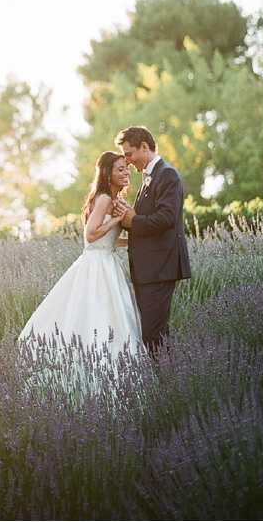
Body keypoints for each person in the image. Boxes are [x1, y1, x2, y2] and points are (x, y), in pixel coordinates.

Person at [18, 151, 142, 374]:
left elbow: (109, 241)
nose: (126, 173)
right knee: (98, 316)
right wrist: (116, 219)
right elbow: (91, 235)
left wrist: (135, 243)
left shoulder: (115, 200)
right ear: (107, 173)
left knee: (109, 318)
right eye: (120, 169)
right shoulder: (104, 199)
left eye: (126, 168)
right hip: (97, 267)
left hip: (107, 262)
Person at [112, 125, 191, 358]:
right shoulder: (150, 177)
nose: (127, 161)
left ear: (144, 147)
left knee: (154, 335)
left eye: (129, 154)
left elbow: (166, 218)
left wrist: (132, 220)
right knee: (152, 334)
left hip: (159, 269)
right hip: (150, 270)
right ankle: (161, 384)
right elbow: (145, 220)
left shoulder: (167, 175)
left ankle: (163, 385)